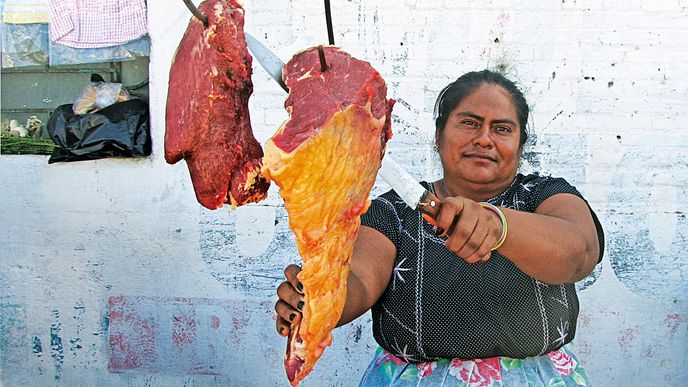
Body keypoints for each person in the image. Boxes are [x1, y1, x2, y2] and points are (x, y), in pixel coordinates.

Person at [274, 69, 604, 386]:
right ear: (438, 134)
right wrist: (320, 299)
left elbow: (580, 251)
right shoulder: (394, 210)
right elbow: (360, 279)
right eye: (469, 123)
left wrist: (496, 224)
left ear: (520, 143)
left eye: (502, 129)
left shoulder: (544, 196)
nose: (484, 139)